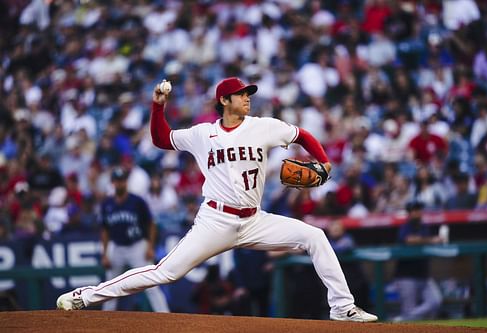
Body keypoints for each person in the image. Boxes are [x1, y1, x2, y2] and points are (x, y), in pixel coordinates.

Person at [56, 77, 377, 322]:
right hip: (216, 221)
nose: (247, 99)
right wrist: (158, 107)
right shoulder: (201, 134)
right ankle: (86, 296)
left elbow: (302, 135)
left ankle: (343, 308)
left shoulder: (263, 127)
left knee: (314, 236)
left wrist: (325, 161)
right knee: (164, 272)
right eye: (241, 95)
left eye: (248, 94)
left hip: (254, 220)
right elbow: (161, 138)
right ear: (224, 100)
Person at [92, 166, 169, 312]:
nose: (120, 183)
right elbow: (105, 230)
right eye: (117, 180)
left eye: (122, 180)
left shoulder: (137, 201)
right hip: (117, 247)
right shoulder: (107, 204)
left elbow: (151, 224)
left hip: (137, 246)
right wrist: (104, 253)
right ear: (112, 183)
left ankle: (165, 314)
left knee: (151, 283)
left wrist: (150, 247)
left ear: (126, 182)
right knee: (109, 285)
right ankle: (105, 319)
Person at [392, 201, 444, 322]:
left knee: (435, 301)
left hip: (424, 274)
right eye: (415, 210)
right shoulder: (405, 227)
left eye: (419, 210)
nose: (418, 213)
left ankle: (403, 319)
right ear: (409, 213)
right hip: (406, 276)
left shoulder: (424, 227)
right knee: (409, 309)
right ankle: (406, 318)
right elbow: (409, 240)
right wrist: (431, 240)